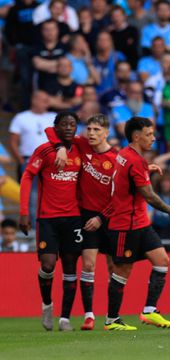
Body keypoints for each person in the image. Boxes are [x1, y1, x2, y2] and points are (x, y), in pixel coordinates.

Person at [44, 114, 123, 331]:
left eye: (97, 130)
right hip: (87, 217)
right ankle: (89, 315)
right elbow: (50, 131)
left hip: (109, 218)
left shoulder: (116, 160)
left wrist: (102, 218)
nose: (91, 133)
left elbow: (120, 198)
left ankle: (112, 317)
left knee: (113, 268)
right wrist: (60, 147)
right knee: (88, 265)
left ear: (107, 133)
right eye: (89, 129)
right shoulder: (82, 144)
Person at [104, 116, 170, 331]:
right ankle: (111, 320)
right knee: (122, 270)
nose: (153, 138)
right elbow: (148, 195)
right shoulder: (135, 161)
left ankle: (149, 310)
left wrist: (147, 169)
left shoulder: (126, 155)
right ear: (137, 136)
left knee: (162, 260)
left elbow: (131, 172)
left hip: (140, 223)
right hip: (125, 225)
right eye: (149, 134)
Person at [19, 112, 82, 331]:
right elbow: (27, 176)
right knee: (47, 265)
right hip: (47, 218)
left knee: (71, 267)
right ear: (56, 127)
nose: (68, 128)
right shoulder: (44, 150)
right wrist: (24, 212)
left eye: (72, 124)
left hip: (74, 218)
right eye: (63, 124)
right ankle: (47, 305)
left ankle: (65, 318)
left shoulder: (81, 149)